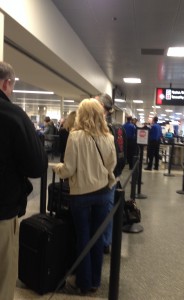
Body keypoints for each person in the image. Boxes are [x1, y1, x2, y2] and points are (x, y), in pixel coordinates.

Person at [53, 98, 116, 295]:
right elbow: (111, 165)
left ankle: (84, 282)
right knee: (97, 238)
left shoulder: (75, 136)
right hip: (103, 193)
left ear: (81, 114)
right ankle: (95, 282)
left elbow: (69, 168)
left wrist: (57, 169)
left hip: (80, 195)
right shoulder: (108, 137)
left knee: (83, 237)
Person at [0, 61, 48, 300]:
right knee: (3, 278)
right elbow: (37, 165)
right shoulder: (12, 115)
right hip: (2, 211)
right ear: (7, 83)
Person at [95, 93, 126, 254]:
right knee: (109, 207)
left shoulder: (102, 127)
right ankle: (106, 240)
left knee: (105, 209)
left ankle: (104, 242)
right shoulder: (118, 126)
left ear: (102, 107)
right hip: (116, 171)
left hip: (106, 175)